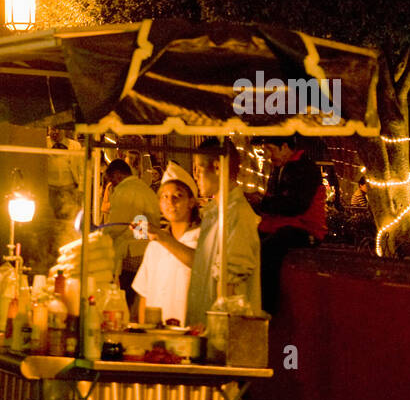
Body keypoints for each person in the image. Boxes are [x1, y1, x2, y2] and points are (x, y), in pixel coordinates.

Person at [185, 139, 262, 328]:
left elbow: (230, 284)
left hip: (224, 333)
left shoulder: (239, 215)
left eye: (197, 168)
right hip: (203, 325)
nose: (194, 175)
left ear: (218, 167)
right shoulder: (214, 212)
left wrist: (215, 330)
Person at [254, 136, 326, 315]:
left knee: (269, 249)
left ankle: (267, 307)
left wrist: (261, 203)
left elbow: (295, 205)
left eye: (271, 149)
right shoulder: (279, 167)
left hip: (306, 228)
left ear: (285, 146)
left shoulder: (305, 168)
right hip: (280, 224)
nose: (269, 156)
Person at [133, 163, 201, 325]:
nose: (170, 201)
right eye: (164, 196)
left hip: (189, 331)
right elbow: (145, 294)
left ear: (191, 202)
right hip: (156, 334)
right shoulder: (154, 246)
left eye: (178, 195)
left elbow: (201, 264)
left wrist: (162, 238)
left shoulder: (201, 239)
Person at [102, 158, 161, 299]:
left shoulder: (125, 191)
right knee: (139, 296)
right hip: (145, 249)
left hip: (132, 253)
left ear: (117, 175)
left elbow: (116, 225)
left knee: (128, 296)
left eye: (111, 179)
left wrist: (98, 236)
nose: (112, 184)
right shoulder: (142, 187)